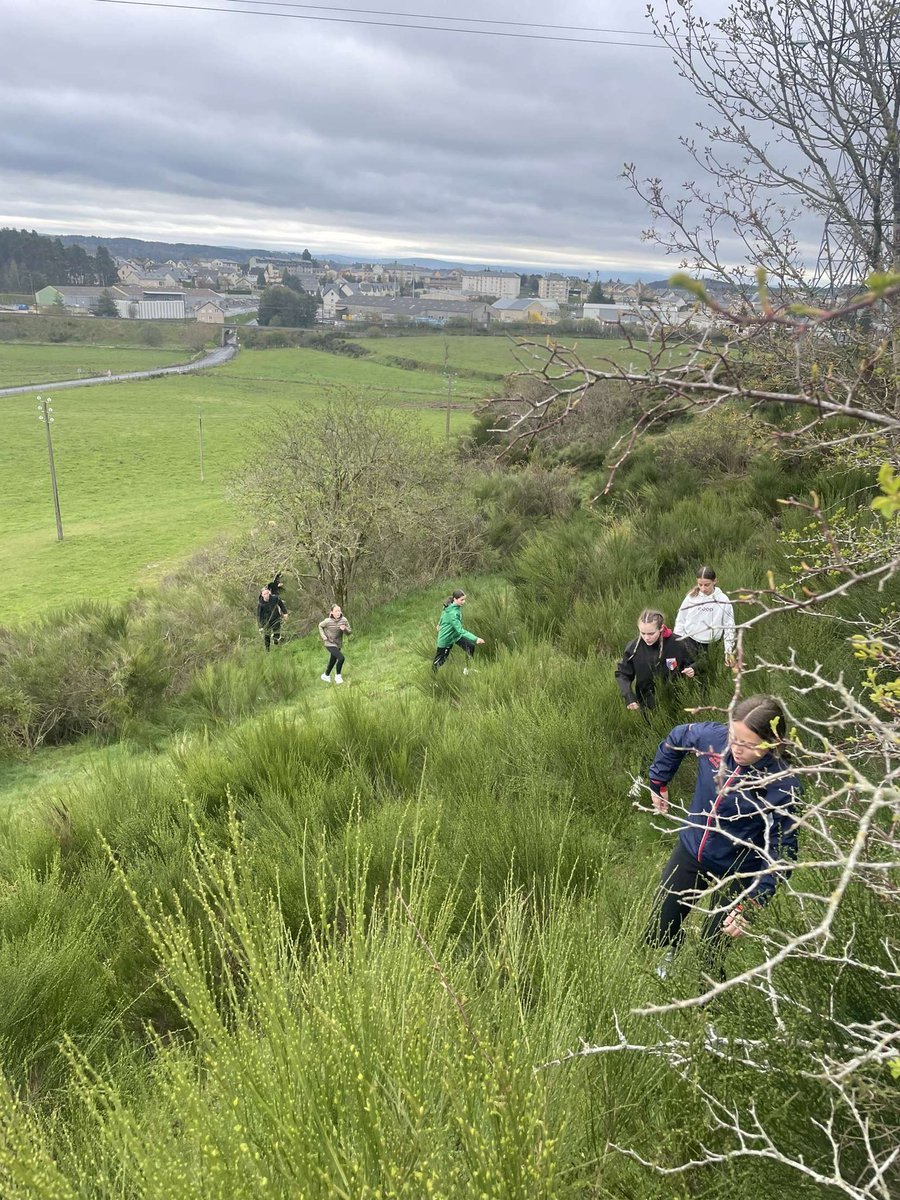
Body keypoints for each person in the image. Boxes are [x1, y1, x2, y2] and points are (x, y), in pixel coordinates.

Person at [645, 695, 801, 974]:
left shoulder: (783, 784)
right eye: (733, 737)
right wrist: (659, 781)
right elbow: (678, 736)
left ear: (773, 743)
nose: (736, 748)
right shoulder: (713, 739)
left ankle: (707, 1005)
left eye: (747, 744)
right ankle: (672, 950)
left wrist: (753, 904)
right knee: (660, 926)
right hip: (694, 848)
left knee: (711, 949)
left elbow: (783, 851)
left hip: (741, 870)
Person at [615, 609, 695, 713]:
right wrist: (629, 696)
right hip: (646, 703)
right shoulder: (633, 647)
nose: (646, 638)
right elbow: (623, 674)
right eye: (642, 633)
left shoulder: (679, 643)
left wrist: (693, 669)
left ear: (661, 628)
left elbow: (696, 661)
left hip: (676, 701)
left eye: (651, 633)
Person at [674, 566, 737, 669]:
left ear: (714, 581)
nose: (703, 589)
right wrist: (677, 641)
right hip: (690, 642)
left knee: (707, 673)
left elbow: (729, 627)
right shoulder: (691, 597)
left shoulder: (723, 600)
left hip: (711, 645)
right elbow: (681, 619)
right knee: (686, 672)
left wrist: (728, 651)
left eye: (707, 585)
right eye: (700, 585)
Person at [432, 589, 484, 673]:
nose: (464, 602)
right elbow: (460, 630)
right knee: (439, 661)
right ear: (455, 599)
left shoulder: (452, 606)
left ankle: (467, 669)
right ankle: (433, 680)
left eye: (464, 599)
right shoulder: (453, 614)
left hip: (455, 636)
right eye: (462, 600)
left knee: (470, 647)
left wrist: (439, 624)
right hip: (446, 639)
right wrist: (476, 638)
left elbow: (443, 612)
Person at [318, 604, 351, 684]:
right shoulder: (327, 621)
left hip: (338, 643)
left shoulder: (344, 620)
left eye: (339, 610)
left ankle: (326, 675)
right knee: (341, 658)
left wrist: (345, 629)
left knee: (333, 660)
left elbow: (349, 632)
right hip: (329, 643)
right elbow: (320, 626)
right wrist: (323, 636)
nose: (338, 612)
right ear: (332, 612)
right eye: (336, 611)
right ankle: (338, 676)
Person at [257, 584, 288, 650]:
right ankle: (267, 649)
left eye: (267, 593)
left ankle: (276, 643)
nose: (266, 595)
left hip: (276, 618)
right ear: (262, 595)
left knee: (277, 632)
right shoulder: (260, 604)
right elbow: (259, 615)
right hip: (266, 621)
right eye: (264, 594)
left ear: (269, 593)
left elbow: (281, 605)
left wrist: (285, 613)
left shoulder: (275, 598)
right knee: (266, 635)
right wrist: (260, 626)